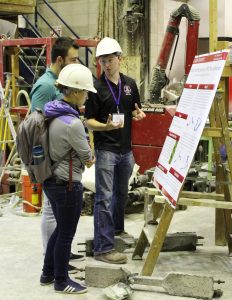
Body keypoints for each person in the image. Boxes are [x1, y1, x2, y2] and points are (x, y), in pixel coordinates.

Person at [84, 37, 146, 264]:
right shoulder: (95, 88)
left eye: (110, 60)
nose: (106, 65)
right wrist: (106, 126)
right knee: (104, 198)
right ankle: (103, 248)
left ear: (119, 59)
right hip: (106, 150)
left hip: (125, 150)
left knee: (121, 195)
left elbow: (135, 110)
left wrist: (138, 115)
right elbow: (88, 121)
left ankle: (117, 231)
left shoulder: (130, 85)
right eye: (102, 61)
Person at [40, 64, 96, 294]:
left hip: (51, 180)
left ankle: (47, 273)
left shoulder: (51, 112)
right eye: (84, 91)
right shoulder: (72, 123)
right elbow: (88, 158)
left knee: (59, 230)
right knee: (66, 235)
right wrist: (89, 152)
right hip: (67, 185)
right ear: (73, 92)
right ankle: (61, 281)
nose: (86, 95)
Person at [30, 37, 83, 271]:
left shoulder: (59, 82)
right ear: (60, 60)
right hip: (51, 161)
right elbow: (35, 125)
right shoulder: (45, 86)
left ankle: (59, 254)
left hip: (61, 159)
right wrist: (43, 163)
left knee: (58, 214)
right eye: (72, 60)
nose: (75, 65)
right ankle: (49, 258)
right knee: (51, 210)